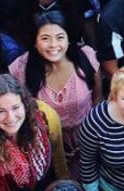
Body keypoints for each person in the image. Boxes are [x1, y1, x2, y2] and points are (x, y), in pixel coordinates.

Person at [9, 11, 101, 178]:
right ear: (35, 42)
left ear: (68, 39)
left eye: (60, 37)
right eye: (45, 38)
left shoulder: (86, 58)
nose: (53, 44)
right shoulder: (21, 68)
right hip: (45, 145)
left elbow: (98, 99)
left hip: (89, 139)